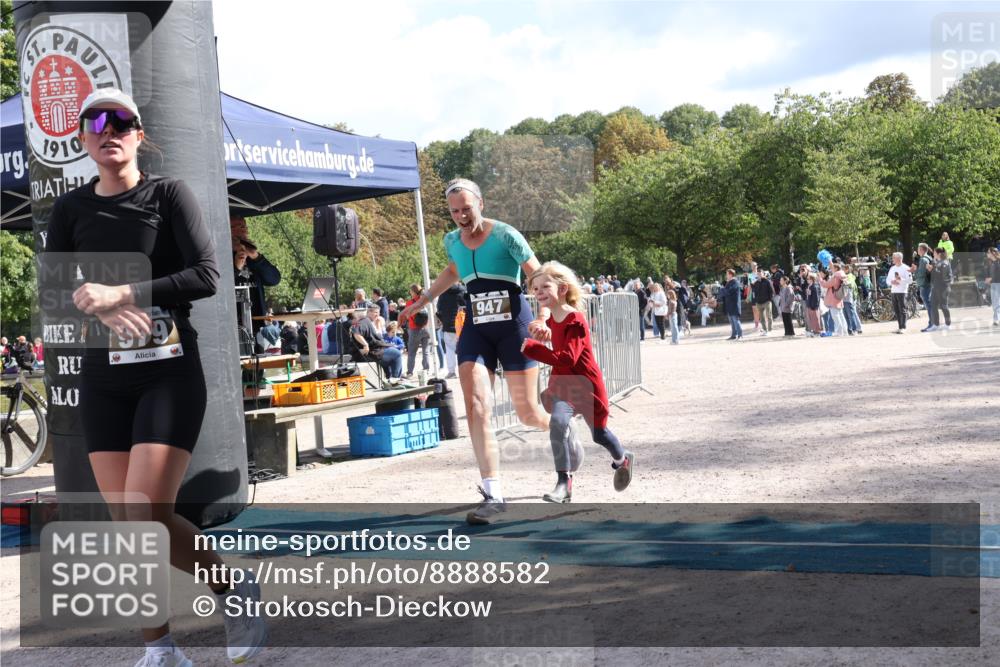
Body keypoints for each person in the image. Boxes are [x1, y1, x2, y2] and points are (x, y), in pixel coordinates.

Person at [43, 89, 266, 666]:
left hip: (167, 374)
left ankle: (231, 590)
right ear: (83, 139)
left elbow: (208, 274)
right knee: (130, 524)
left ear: (139, 134)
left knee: (143, 511)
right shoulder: (71, 210)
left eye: (121, 121)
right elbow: (56, 297)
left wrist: (126, 291)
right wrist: (93, 303)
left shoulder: (167, 194)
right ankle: (160, 651)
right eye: (95, 121)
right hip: (103, 378)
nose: (107, 129)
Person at [398, 178, 550, 524]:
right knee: (477, 405)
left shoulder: (506, 234)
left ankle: (560, 427)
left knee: (528, 413)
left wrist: (543, 315)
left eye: (466, 208)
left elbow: (536, 273)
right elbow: (454, 270)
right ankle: (493, 492)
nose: (461, 216)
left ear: (480, 203)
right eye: (454, 211)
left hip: (514, 326)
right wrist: (422, 300)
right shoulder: (451, 240)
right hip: (477, 328)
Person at [521, 262, 634, 503]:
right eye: (535, 288)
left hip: (587, 385)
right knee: (558, 423)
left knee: (600, 434)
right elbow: (557, 346)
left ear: (562, 289)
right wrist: (543, 333)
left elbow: (568, 358)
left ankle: (622, 459)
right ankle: (564, 483)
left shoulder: (576, 319)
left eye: (544, 287)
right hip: (564, 385)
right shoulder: (552, 319)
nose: (538, 292)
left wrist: (534, 349)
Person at [348, 306, 403, 382]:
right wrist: (365, 345)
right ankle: (395, 380)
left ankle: (389, 378)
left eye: (378, 312)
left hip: (375, 350)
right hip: (371, 353)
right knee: (396, 353)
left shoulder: (369, 321)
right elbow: (356, 333)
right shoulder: (364, 321)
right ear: (368, 312)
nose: (377, 315)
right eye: (375, 312)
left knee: (392, 350)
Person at [436, 282, 467, 378]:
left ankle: (452, 371)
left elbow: (439, 310)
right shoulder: (464, 290)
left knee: (449, 349)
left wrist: (443, 320)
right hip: (463, 325)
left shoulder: (442, 293)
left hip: (448, 325)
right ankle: (465, 371)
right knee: (464, 349)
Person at [926, 246, 953, 331]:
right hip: (935, 287)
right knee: (933, 306)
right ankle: (936, 325)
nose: (933, 254)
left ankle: (948, 324)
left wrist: (933, 269)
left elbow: (943, 276)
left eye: (934, 252)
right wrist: (931, 270)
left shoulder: (945, 262)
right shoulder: (936, 262)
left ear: (939, 254)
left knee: (944, 306)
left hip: (943, 288)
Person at [886, 252, 913, 333]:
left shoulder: (906, 268)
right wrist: (892, 282)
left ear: (899, 258)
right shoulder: (892, 268)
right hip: (894, 291)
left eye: (893, 257)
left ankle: (903, 327)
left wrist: (901, 280)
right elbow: (887, 280)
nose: (892, 259)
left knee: (903, 309)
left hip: (902, 291)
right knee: (896, 310)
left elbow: (910, 281)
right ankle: (900, 326)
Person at [819, 263, 848, 336]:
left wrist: (820, 279)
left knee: (836, 316)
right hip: (838, 297)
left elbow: (826, 285)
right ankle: (844, 331)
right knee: (841, 315)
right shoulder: (841, 275)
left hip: (833, 298)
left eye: (832, 268)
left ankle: (839, 331)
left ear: (836, 269)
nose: (831, 269)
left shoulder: (836, 276)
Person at [912, 243, 934, 332]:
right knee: (929, 304)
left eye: (918, 248)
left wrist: (914, 271)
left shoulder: (923, 260)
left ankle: (932, 324)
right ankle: (932, 323)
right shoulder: (928, 258)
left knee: (928, 305)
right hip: (927, 284)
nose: (917, 250)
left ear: (921, 250)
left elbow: (921, 273)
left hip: (924, 284)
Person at [406, 311, 431, 378]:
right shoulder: (424, 302)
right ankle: (426, 369)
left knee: (412, 353)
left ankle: (410, 372)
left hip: (414, 330)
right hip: (426, 329)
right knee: (425, 351)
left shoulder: (410, 303)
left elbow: (407, 316)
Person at [719, 269, 743, 340]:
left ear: (730, 274)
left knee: (735, 320)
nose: (726, 275)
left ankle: (740, 335)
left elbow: (729, 292)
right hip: (729, 305)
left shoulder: (735, 282)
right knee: (732, 321)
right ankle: (734, 335)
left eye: (727, 274)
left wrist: (722, 289)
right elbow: (724, 293)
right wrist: (723, 290)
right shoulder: (728, 283)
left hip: (734, 305)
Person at [751, 270, 774, 336]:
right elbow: (754, 290)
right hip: (759, 302)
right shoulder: (756, 282)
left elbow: (771, 291)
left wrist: (770, 299)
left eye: (760, 274)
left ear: (763, 274)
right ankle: (764, 330)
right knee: (762, 317)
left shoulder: (767, 281)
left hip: (767, 301)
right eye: (758, 274)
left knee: (769, 315)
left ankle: (769, 330)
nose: (759, 275)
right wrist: (752, 283)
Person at [842, 264, 863, 335]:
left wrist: (844, 281)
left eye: (843, 269)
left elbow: (849, 284)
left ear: (847, 269)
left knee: (852, 313)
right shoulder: (851, 276)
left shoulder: (849, 276)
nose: (842, 270)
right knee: (852, 313)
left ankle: (857, 328)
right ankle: (857, 328)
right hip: (852, 297)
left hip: (851, 297)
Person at [987, 247, 1000, 326]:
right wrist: (990, 280)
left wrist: (991, 279)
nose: (987, 254)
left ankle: (996, 319)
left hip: (998, 284)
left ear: (993, 253)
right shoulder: (992, 263)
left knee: (997, 302)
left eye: (988, 252)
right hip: (994, 284)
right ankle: (996, 318)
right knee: (995, 302)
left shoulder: (998, 262)